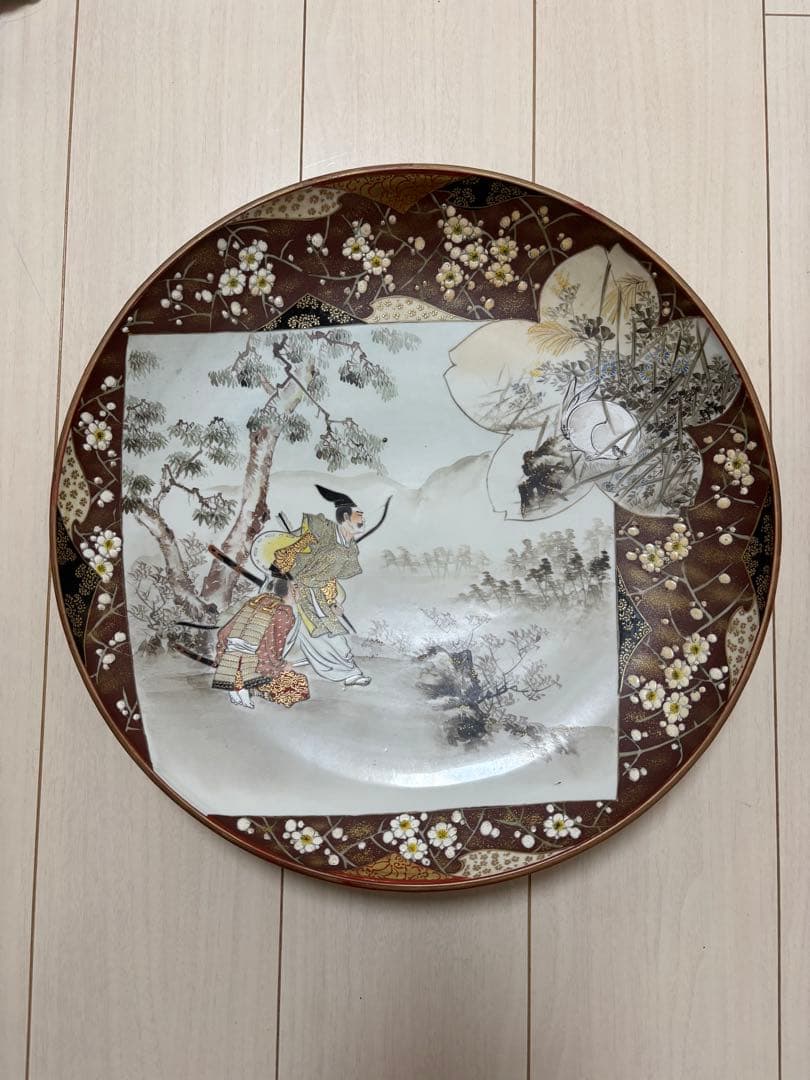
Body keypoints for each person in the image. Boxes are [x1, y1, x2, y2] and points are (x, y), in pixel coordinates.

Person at [274, 484, 371, 687]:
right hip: (298, 589)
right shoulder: (322, 529)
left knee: (337, 637)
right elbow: (287, 553)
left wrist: (333, 601)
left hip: (320, 593)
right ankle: (347, 673)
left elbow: (331, 577)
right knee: (315, 636)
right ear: (346, 517)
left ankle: (348, 671)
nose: (363, 519)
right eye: (359, 515)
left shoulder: (350, 548)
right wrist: (291, 583)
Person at [212, 575, 309, 708]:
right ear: (291, 590)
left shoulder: (260, 600)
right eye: (297, 587)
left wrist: (222, 653)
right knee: (298, 685)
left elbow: (224, 632)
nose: (300, 590)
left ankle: (240, 687)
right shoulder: (284, 612)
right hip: (257, 665)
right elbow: (273, 648)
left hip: (230, 657)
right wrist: (282, 665)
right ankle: (251, 689)